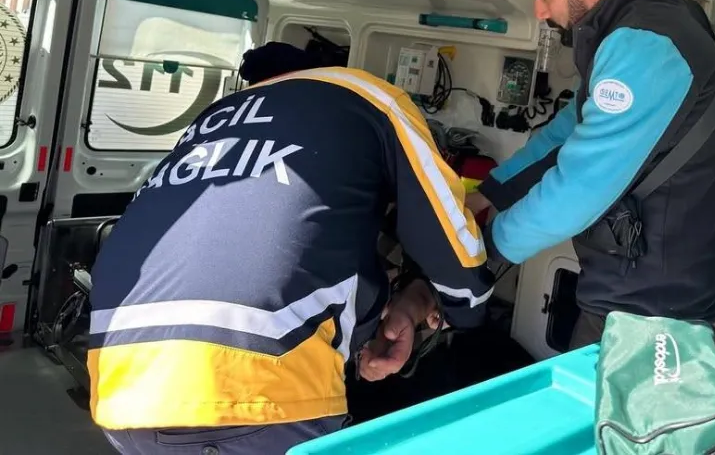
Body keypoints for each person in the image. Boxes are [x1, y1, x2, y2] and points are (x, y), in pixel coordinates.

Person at [88, 42, 493, 454]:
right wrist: (464, 314)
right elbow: (453, 248)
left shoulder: (216, 116)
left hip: (120, 392)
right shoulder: (374, 98)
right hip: (254, 396)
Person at [467, 0, 715, 349]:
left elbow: (580, 187)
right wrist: (490, 192)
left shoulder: (644, 45)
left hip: (653, 305)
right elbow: (566, 133)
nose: (538, 11)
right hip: (638, 285)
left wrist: (484, 252)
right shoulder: (637, 27)